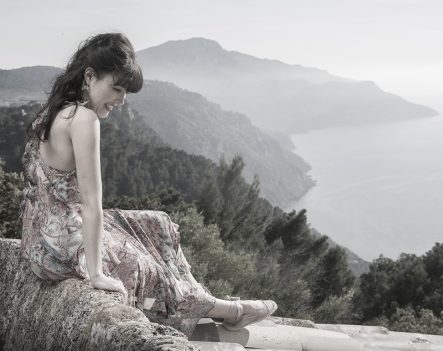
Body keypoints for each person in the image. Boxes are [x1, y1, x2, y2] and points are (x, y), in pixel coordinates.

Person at [19, 32, 277, 337]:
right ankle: (225, 310)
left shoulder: (56, 110)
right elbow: (91, 205)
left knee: (157, 224)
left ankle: (202, 297)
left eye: (125, 91)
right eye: (115, 88)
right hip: (61, 247)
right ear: (89, 76)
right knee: (144, 265)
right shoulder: (84, 119)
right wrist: (97, 273)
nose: (120, 100)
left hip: (39, 241)